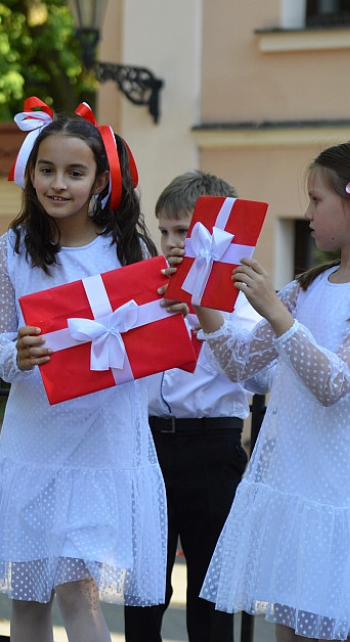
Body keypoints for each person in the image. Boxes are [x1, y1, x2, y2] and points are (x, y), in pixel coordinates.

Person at [189, 140, 350, 641]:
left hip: (341, 493)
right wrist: (198, 298)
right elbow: (240, 363)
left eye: (317, 200)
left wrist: (275, 312)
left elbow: (334, 384)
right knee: (290, 632)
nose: (307, 212)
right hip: (294, 485)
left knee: (336, 629)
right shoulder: (307, 287)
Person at [0, 99, 165, 642]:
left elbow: (153, 341)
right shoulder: (8, 250)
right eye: (47, 169)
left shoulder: (130, 250)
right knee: (28, 600)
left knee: (77, 594)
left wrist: (172, 314)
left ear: (100, 180)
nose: (58, 184)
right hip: (35, 438)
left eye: (75, 172)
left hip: (102, 438)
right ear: (30, 172)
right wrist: (18, 354)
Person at [124, 170, 268, 642]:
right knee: (144, 585)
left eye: (183, 231)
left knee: (209, 589)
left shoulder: (244, 300)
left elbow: (255, 374)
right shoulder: (147, 287)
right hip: (147, 444)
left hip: (212, 446)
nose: (170, 242)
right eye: (163, 230)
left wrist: (206, 315)